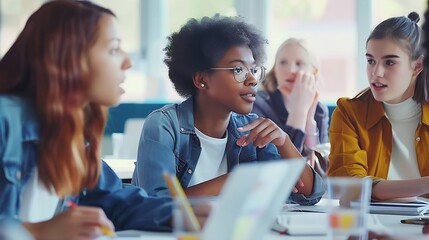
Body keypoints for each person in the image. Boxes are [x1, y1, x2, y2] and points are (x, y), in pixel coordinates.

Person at [0, 1, 177, 239]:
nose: (128, 62)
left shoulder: (71, 134)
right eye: (114, 49)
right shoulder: (5, 120)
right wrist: (38, 232)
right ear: (68, 57)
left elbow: (113, 201)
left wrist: (185, 213)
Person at [132, 15, 325, 206]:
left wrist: (284, 142)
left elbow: (308, 194)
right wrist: (237, 182)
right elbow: (156, 203)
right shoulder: (163, 126)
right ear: (201, 79)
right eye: (238, 70)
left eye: (254, 69)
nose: (252, 80)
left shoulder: (250, 129)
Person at [327, 12, 429, 201]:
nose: (376, 73)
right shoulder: (349, 113)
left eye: (389, 62)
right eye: (371, 61)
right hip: (370, 227)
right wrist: (424, 184)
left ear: (417, 66)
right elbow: (347, 185)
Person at [253, 38, 329, 158]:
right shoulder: (258, 104)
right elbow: (284, 164)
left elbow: (320, 168)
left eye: (299, 64)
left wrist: (309, 118)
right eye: (283, 63)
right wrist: (299, 110)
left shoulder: (319, 109)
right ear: (275, 70)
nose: (291, 70)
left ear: (313, 72)